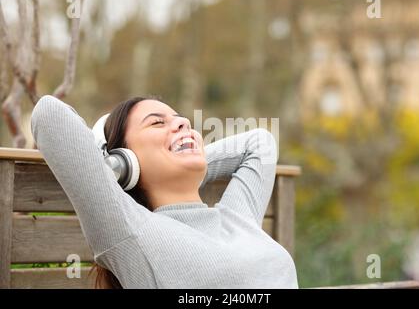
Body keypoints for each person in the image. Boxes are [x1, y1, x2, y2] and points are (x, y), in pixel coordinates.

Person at [30, 94, 299, 289]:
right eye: (157, 123)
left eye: (182, 121)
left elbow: (260, 143)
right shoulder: (131, 230)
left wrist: (190, 158)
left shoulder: (238, 217)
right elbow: (48, 114)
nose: (183, 124)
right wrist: (118, 170)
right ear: (123, 159)